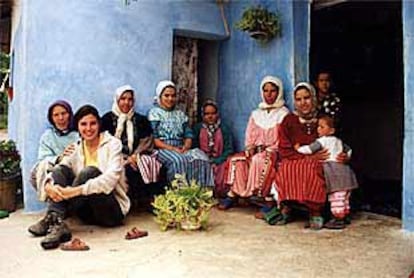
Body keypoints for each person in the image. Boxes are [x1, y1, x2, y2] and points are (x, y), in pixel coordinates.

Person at [28, 105, 130, 250]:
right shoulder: (76, 147)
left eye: (93, 123)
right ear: (77, 127)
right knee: (60, 170)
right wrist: (48, 186)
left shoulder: (113, 144)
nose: (88, 128)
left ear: (99, 124)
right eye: (83, 124)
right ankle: (55, 220)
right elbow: (60, 168)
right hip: (85, 213)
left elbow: (110, 179)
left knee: (89, 172)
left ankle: (55, 219)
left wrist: (74, 191)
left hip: (110, 212)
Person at [219, 76, 289, 212]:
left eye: (273, 91)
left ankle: (266, 199)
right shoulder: (256, 113)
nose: (269, 94)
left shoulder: (283, 114)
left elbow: (282, 140)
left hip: (273, 152)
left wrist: (267, 149)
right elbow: (249, 135)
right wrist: (250, 147)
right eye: (265, 91)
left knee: (260, 160)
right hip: (256, 150)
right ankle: (234, 193)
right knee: (236, 160)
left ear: (279, 92)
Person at [295, 115, 358, 229]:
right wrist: (347, 157)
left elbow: (309, 149)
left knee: (336, 198)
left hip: (334, 173)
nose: (318, 129)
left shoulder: (322, 141)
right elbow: (349, 150)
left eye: (322, 127)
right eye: (318, 127)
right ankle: (344, 216)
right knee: (344, 197)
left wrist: (298, 149)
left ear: (331, 130)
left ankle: (338, 219)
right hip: (345, 171)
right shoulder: (339, 141)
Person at [101, 85, 163, 201]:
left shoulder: (141, 120)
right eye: (123, 99)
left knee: (147, 166)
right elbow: (104, 142)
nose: (126, 103)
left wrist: (135, 156)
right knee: (123, 168)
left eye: (130, 99)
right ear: (117, 100)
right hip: (113, 156)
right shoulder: (106, 119)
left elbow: (146, 142)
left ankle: (148, 202)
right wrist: (120, 157)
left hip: (136, 156)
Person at [148, 80, 214, 187]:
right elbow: (154, 140)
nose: (170, 99)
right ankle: (179, 194)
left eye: (173, 96)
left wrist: (186, 146)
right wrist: (173, 149)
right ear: (159, 96)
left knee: (201, 158)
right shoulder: (154, 113)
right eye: (166, 95)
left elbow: (188, 134)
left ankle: (199, 193)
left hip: (181, 147)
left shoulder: (180, 114)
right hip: (162, 148)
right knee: (178, 160)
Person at [30, 100, 78, 201]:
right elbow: (43, 158)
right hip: (54, 168)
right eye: (56, 115)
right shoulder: (47, 136)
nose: (61, 118)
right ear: (51, 118)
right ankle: (55, 201)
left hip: (73, 170)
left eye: (64, 113)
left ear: (69, 114)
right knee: (38, 170)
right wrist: (60, 158)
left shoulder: (78, 132)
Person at [192, 99, 234, 197]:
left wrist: (217, 160)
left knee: (222, 168)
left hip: (220, 159)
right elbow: (194, 147)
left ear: (217, 114)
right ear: (203, 115)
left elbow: (229, 149)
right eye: (207, 114)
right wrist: (204, 158)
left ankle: (220, 194)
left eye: (213, 113)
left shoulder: (224, 129)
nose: (210, 116)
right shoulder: (198, 128)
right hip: (202, 159)